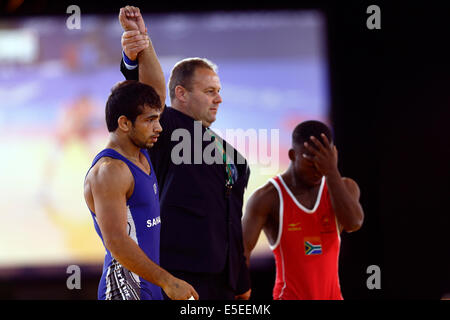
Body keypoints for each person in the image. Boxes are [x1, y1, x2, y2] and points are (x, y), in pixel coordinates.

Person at [117, 6, 251, 300]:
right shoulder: (165, 128)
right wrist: (137, 46)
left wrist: (240, 279)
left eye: (218, 90)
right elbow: (143, 94)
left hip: (226, 283)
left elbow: (231, 222)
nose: (219, 98)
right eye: (210, 91)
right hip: (180, 279)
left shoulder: (232, 156)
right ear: (180, 93)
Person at [84, 80, 198, 300]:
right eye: (150, 120)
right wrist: (169, 281)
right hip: (124, 290)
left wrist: (145, 46)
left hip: (150, 285)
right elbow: (116, 240)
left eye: (157, 118)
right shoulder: (110, 171)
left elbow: (157, 92)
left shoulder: (140, 154)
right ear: (125, 123)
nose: (159, 127)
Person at [242, 120, 364, 300]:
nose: (318, 170)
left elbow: (353, 223)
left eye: (323, 163)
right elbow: (241, 251)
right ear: (292, 155)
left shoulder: (344, 188)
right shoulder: (268, 197)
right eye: (311, 162)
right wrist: (240, 290)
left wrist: (331, 171)